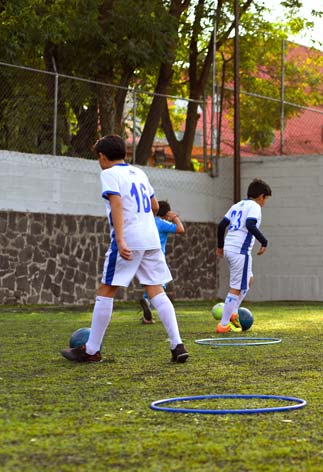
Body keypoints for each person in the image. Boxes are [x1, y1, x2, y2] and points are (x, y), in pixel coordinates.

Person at [61, 135, 188, 363]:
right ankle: (177, 344)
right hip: (150, 238)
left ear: (102, 156)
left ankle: (91, 350)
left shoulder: (109, 174)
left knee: (106, 290)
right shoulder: (139, 173)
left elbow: (116, 203)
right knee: (156, 290)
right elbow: (155, 206)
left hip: (129, 238)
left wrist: (120, 239)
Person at [216, 178, 272, 333]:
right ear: (261, 196)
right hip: (240, 251)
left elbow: (221, 226)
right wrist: (264, 241)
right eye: (265, 199)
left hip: (229, 248)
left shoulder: (237, 205)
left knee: (249, 280)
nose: (264, 202)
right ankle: (224, 324)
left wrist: (220, 246)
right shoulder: (254, 206)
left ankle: (233, 312)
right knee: (235, 288)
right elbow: (250, 224)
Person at [139, 200, 185, 324]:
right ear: (166, 214)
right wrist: (174, 217)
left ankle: (147, 314)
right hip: (157, 257)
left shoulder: (147, 221)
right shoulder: (162, 223)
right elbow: (181, 229)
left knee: (150, 283)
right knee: (159, 286)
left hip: (143, 255)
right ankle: (148, 302)